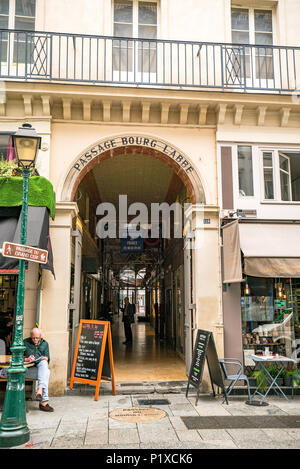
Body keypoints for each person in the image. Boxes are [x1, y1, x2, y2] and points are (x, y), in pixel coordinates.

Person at [24, 327, 54, 412]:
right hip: (28, 370)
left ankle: (40, 389)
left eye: (37, 338)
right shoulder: (25, 342)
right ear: (31, 336)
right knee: (47, 372)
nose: (35, 340)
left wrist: (45, 358)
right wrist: (26, 359)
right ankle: (44, 402)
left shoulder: (45, 344)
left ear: (40, 337)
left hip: (40, 369)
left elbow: (48, 358)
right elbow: (18, 357)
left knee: (44, 364)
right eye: (33, 338)